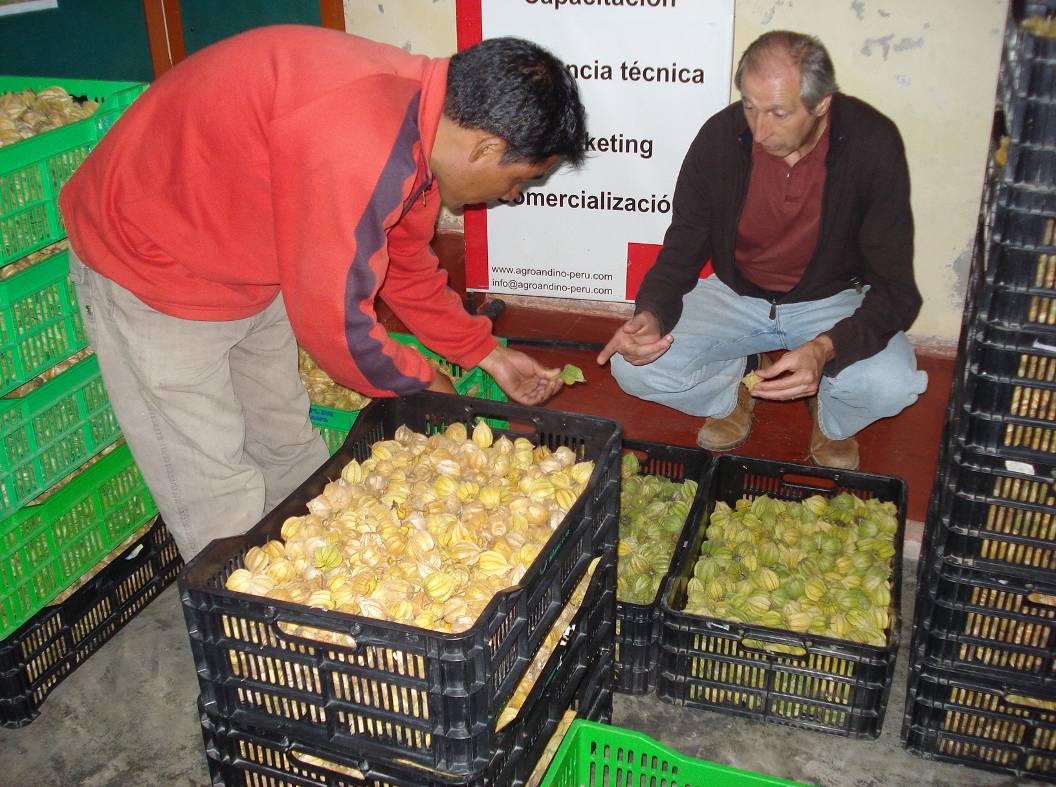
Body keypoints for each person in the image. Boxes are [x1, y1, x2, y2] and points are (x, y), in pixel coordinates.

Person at [59, 26, 588, 559]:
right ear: (486, 147)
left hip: (246, 256)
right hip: (150, 262)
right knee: (218, 489)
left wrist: (484, 353)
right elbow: (337, 330)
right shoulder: (360, 139)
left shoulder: (424, 124)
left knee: (286, 443)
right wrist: (426, 382)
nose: (510, 196)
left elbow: (403, 260)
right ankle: (252, 628)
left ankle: (309, 592)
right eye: (519, 181)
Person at [598, 30, 927, 470]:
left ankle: (832, 420)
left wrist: (827, 347)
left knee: (891, 385)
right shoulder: (721, 137)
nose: (760, 129)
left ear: (822, 104)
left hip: (830, 300)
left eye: (778, 112)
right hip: (737, 295)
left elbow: (897, 291)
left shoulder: (872, 144)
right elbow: (682, 245)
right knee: (634, 367)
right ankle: (733, 387)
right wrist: (651, 314)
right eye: (750, 107)